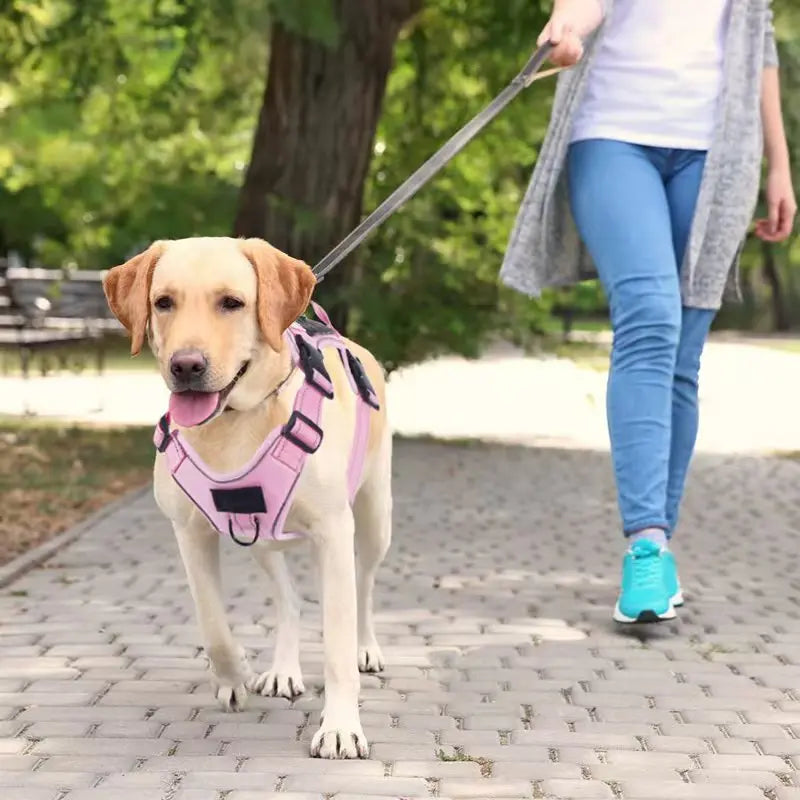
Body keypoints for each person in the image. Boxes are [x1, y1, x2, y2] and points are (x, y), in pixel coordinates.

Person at [501, 0, 796, 623]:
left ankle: (658, 548)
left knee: (684, 356)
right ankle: (645, 545)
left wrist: (780, 164)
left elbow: (757, 38)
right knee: (651, 318)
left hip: (718, 153)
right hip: (612, 135)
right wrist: (567, 31)